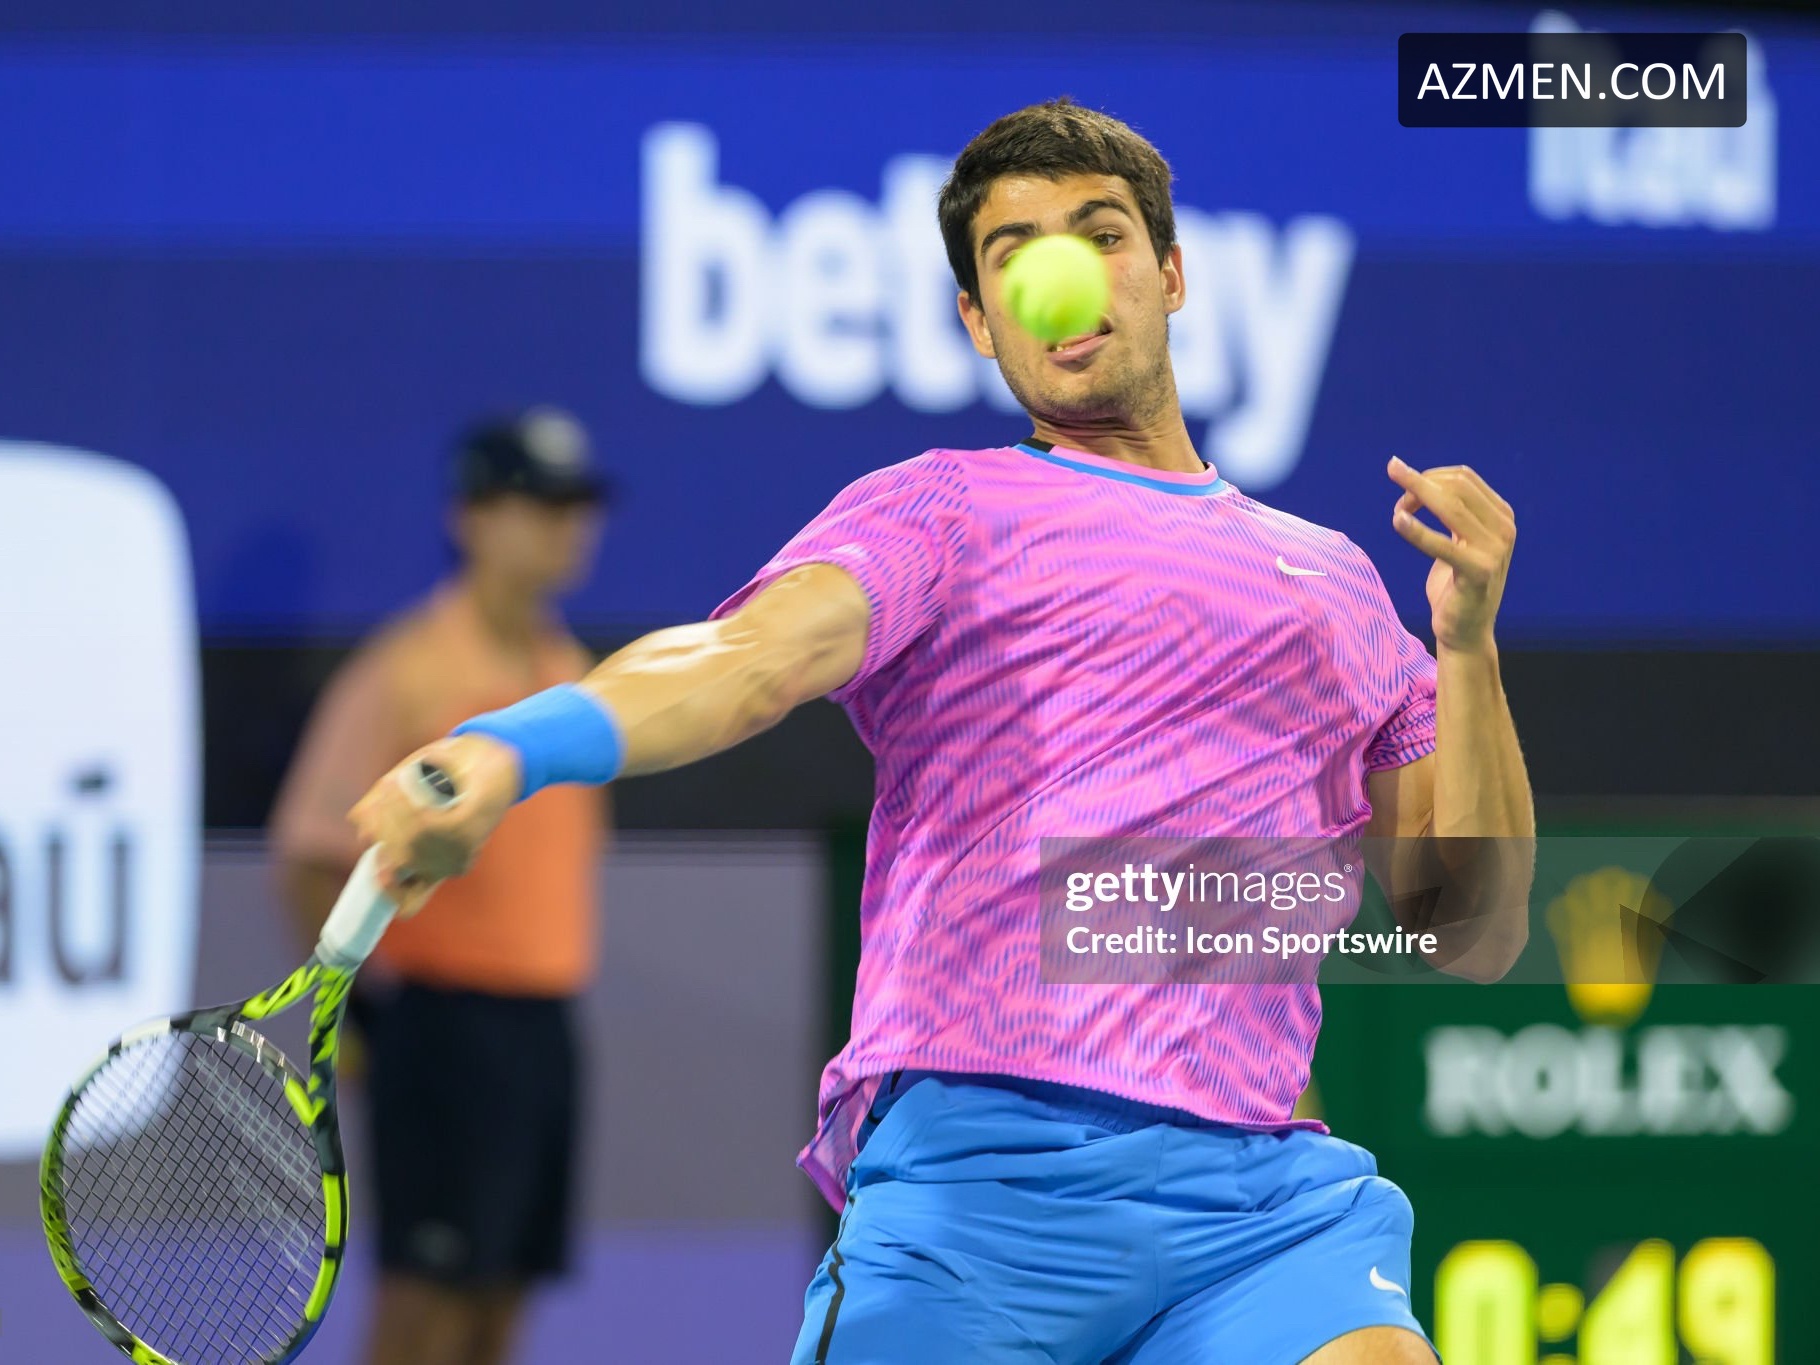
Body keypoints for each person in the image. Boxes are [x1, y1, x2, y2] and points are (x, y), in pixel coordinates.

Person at [351, 101, 1534, 1364]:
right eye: (1014, 256)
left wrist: (1466, 651)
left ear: (1171, 273)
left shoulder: (1333, 582)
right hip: (980, 1194)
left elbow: (1469, 931)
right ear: (979, 320)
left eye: (1099, 234)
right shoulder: (944, 512)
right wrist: (512, 746)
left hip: (1256, 1213)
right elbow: (744, 662)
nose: (1062, 274)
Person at [271, 407, 610, 1365]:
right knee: (426, 1311)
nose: (567, 527)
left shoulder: (572, 673)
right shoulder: (407, 670)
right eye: (539, 504)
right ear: (473, 517)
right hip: (438, 1030)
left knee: (501, 1306)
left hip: (544, 1030)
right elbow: (309, 853)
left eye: (576, 505)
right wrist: (358, 1015)